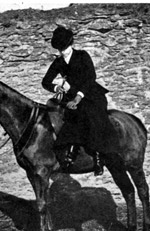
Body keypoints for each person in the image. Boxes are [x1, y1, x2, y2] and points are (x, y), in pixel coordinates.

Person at [42, 26, 119, 176]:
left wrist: (78, 97)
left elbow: (91, 78)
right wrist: (56, 87)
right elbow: (45, 82)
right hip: (71, 96)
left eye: (65, 47)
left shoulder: (82, 56)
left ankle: (98, 156)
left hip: (91, 94)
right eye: (60, 48)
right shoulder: (58, 62)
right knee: (61, 112)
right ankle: (70, 150)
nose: (63, 51)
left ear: (70, 44)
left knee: (87, 113)